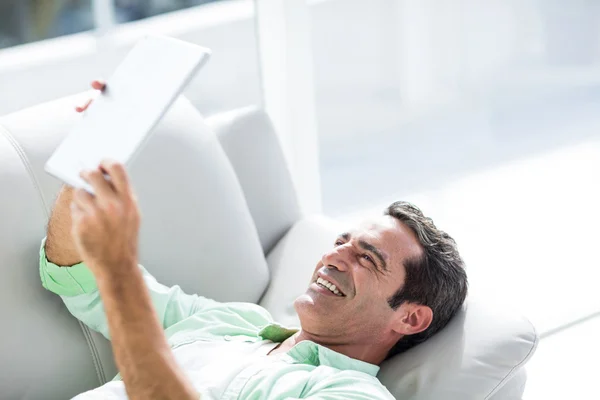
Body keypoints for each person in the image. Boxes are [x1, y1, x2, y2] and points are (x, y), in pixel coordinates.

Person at [41, 81, 468, 399]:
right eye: (342, 241)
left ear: (410, 318)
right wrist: (92, 155)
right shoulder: (233, 322)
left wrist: (119, 271)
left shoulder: (345, 393)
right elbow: (74, 274)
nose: (335, 256)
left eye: (368, 259)